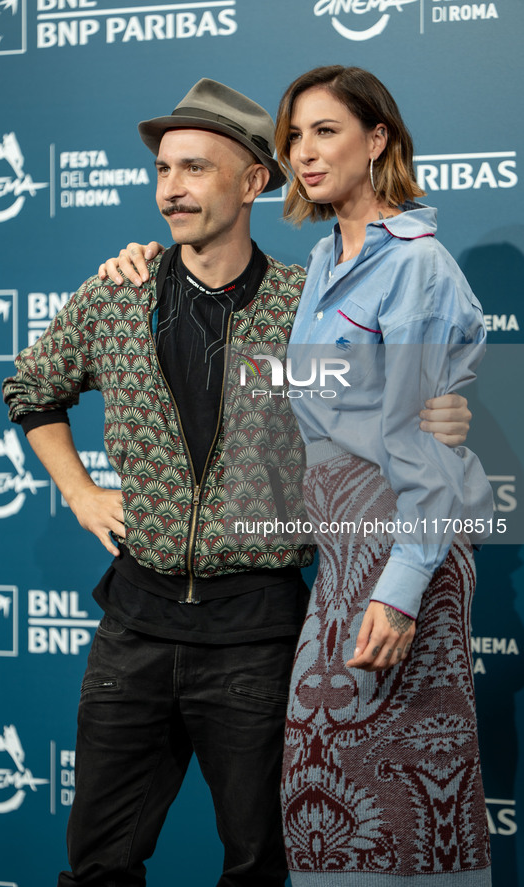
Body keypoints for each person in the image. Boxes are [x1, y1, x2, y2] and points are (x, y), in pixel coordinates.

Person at [3, 78, 473, 887]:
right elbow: (29, 389)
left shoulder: (308, 298)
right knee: (96, 865)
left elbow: (397, 414)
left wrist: (452, 417)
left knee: (259, 865)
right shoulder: (116, 291)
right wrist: (81, 493)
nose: (170, 191)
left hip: (260, 630)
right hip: (135, 625)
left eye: (193, 169)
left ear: (254, 181)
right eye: (161, 170)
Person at [273, 66, 492, 885]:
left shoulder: (417, 266)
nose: (303, 151)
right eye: (293, 135)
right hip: (341, 555)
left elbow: (419, 441)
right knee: (326, 786)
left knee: (400, 798)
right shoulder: (326, 260)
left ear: (377, 140)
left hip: (405, 543)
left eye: (325, 130)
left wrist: (400, 585)